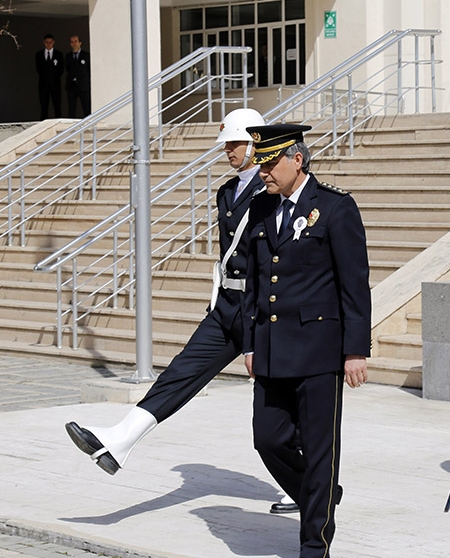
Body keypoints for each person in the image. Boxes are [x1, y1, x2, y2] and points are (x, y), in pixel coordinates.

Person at [64, 108, 298, 514]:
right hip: (227, 307)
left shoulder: (272, 191)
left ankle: (306, 484)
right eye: (226, 143)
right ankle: (119, 441)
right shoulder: (228, 192)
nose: (228, 150)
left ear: (255, 145)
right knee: (180, 372)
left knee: (277, 407)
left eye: (236, 143)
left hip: (260, 311)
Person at [242, 123, 372, 558]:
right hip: (274, 349)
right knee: (269, 438)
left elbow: (355, 284)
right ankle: (320, 494)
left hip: (319, 350)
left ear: (298, 159)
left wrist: (355, 350)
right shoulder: (261, 209)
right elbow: (255, 282)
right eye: (259, 162)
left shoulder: (335, 208)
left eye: (271, 161)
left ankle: (314, 546)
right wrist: (249, 343)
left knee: (319, 450)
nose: (263, 171)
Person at [35, 33, 64, 120]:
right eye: (47, 42)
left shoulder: (59, 54)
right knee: (44, 106)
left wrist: (53, 78)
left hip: (55, 84)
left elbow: (61, 69)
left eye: (50, 42)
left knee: (57, 106)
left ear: (53, 42)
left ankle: (58, 122)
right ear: (44, 42)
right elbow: (38, 69)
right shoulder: (39, 54)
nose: (48, 44)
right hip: (43, 84)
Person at [65, 34, 91, 118]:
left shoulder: (86, 55)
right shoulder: (68, 56)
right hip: (72, 85)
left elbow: (88, 70)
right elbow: (67, 69)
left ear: (80, 43)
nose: (74, 44)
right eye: (72, 42)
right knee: (71, 108)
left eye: (76, 41)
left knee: (86, 107)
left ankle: (88, 125)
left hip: (83, 85)